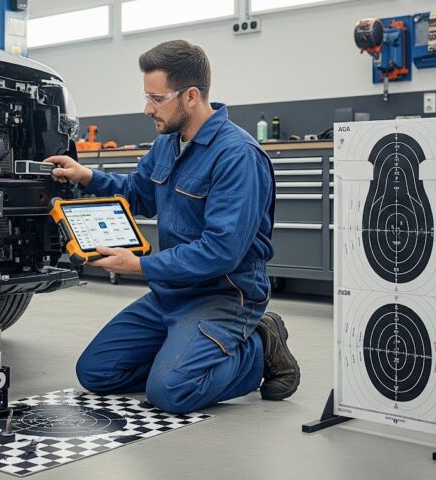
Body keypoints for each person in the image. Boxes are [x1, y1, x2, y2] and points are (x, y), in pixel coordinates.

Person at [44, 40, 300, 414]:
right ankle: (185, 355)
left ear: (191, 95)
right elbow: (139, 194)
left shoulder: (238, 156)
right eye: (146, 96)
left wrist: (139, 266)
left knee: (171, 392)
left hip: (224, 296)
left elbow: (220, 252)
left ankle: (260, 345)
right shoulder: (168, 143)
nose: (148, 108)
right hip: (172, 293)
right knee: (96, 373)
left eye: (156, 98)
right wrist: (87, 176)